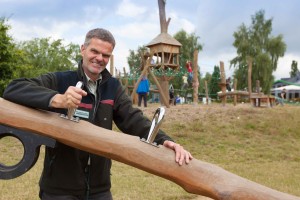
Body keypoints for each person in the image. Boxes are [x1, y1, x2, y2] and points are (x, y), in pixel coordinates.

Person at [3, 28, 192, 200]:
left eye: (105, 55)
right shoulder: (60, 80)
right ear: (83, 49)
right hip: (59, 189)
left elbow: (133, 119)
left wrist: (164, 139)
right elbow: (14, 88)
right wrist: (57, 99)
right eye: (94, 51)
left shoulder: (113, 87)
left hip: (99, 189)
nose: (99, 58)